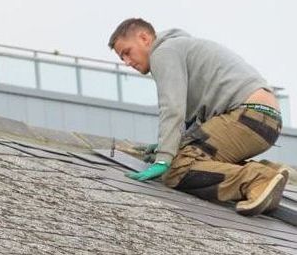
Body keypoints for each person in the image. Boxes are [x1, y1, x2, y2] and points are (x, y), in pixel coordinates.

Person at [108, 18, 288, 216]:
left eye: (127, 52)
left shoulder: (163, 52)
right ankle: (270, 175)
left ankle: (257, 179)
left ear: (144, 38)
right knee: (191, 156)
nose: (126, 62)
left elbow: (172, 108)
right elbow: (192, 121)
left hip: (247, 115)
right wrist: (170, 144)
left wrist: (164, 158)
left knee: (177, 169)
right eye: (121, 58)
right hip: (266, 121)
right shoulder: (182, 48)